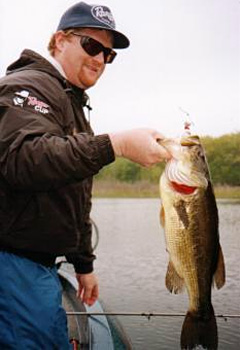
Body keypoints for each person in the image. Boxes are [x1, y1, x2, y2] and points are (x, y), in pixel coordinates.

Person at [0, 2, 170, 349]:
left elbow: (74, 193)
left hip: (41, 268)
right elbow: (23, 159)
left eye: (108, 54)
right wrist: (116, 144)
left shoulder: (71, 102)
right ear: (60, 40)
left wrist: (82, 263)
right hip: (13, 265)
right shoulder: (25, 87)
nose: (99, 59)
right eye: (91, 45)